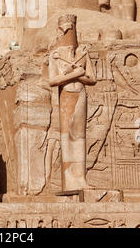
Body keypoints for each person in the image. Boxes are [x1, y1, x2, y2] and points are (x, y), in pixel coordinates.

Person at [49, 14, 96, 192]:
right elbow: (53, 81)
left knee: (80, 137)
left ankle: (80, 177)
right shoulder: (55, 56)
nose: (69, 33)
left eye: (71, 29)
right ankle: (69, 178)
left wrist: (79, 74)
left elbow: (92, 78)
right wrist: (74, 74)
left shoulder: (82, 53)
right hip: (66, 96)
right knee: (67, 136)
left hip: (80, 95)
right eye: (65, 30)